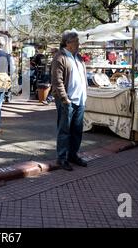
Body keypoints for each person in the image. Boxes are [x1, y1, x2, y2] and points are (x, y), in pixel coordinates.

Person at [51, 31, 88, 171]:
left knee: (77, 130)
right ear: (68, 43)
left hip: (80, 99)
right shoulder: (59, 57)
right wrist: (64, 99)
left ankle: (72, 155)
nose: (78, 44)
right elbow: (57, 81)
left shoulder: (78, 57)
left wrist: (85, 94)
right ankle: (61, 158)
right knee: (64, 130)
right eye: (76, 42)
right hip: (67, 100)